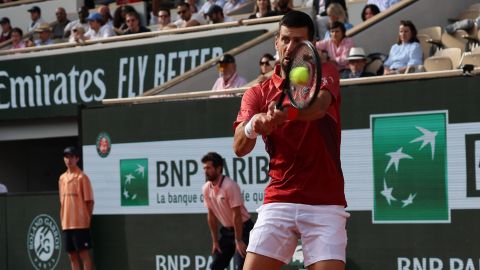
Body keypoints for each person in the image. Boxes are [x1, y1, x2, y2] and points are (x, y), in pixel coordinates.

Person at [233, 11, 349, 270]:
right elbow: (239, 146)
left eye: (298, 41)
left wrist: (286, 114)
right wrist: (254, 125)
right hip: (279, 199)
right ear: (276, 41)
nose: (289, 47)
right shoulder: (257, 93)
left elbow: (318, 107)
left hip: (325, 201)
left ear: (311, 45)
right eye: (285, 39)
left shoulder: (326, 71)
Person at [201, 152, 254, 270]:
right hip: (227, 232)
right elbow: (211, 216)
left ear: (218, 168)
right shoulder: (205, 188)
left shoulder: (230, 186)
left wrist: (238, 240)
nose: (205, 171)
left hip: (244, 230)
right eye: (204, 168)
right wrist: (215, 241)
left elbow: (237, 215)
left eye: (209, 168)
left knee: (241, 267)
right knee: (215, 266)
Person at [59, 146, 95, 270]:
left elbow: (90, 202)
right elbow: (62, 202)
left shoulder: (82, 177)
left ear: (77, 158)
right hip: (66, 224)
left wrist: (86, 219)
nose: (68, 160)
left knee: (84, 254)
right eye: (66, 157)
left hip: (80, 225)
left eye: (71, 157)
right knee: (72, 256)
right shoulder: (62, 178)